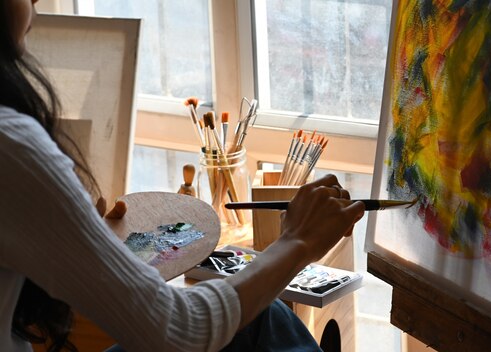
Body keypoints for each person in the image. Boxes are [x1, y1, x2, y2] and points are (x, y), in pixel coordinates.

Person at [0, 0, 366, 351]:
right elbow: (178, 332)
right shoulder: (12, 143)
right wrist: (297, 242)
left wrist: (75, 240)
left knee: (263, 318)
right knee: (265, 320)